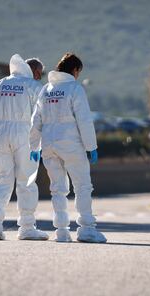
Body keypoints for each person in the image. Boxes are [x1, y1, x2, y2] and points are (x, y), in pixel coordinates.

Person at [30, 53, 106, 243]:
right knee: (82, 186)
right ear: (75, 70)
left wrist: (34, 146)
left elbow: (35, 121)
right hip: (71, 144)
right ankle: (87, 229)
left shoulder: (46, 89)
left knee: (57, 189)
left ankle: (62, 232)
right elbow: (85, 120)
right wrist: (91, 147)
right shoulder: (74, 88)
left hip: (48, 145)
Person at [0, 54, 48, 241]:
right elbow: (41, 117)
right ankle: (27, 227)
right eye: (40, 73)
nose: (41, 76)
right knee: (26, 181)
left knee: (2, 179)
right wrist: (39, 144)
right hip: (24, 134)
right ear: (35, 71)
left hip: (0, 134)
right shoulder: (34, 86)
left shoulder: (0, 84)